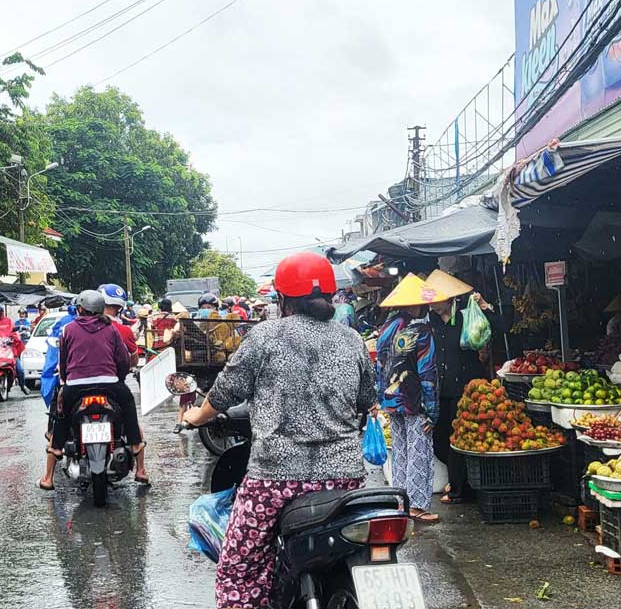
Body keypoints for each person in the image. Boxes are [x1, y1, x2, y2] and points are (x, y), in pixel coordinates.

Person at [180, 252, 376, 608]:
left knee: (239, 570)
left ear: (283, 298)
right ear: (331, 296)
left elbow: (227, 390)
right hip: (345, 478)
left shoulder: (265, 336)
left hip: (274, 479)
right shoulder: (352, 340)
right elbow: (367, 397)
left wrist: (198, 415)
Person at [39, 290, 148, 490]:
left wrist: (66, 379)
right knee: (128, 405)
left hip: (75, 386)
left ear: (80, 308)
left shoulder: (68, 329)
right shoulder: (112, 329)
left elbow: (63, 361)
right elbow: (123, 360)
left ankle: (48, 476)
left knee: (61, 417)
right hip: (109, 384)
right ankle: (138, 459)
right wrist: (120, 378)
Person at [424, 270, 496, 504]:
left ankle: (459, 489)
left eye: (436, 301)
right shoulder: (431, 321)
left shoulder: (467, 316)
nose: (433, 306)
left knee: (460, 439)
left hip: (467, 389)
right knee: (441, 438)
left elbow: (498, 327)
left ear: (449, 298)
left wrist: (485, 306)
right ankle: (459, 482)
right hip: (440, 389)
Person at [376, 274, 440, 523]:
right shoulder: (421, 331)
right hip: (414, 401)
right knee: (419, 452)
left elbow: (380, 365)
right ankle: (417, 506)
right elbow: (427, 371)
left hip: (392, 399)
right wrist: (432, 410)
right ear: (416, 304)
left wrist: (382, 397)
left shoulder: (386, 329)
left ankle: (401, 502)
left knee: (400, 452)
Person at [99, 284, 140, 368]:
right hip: (114, 376)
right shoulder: (125, 331)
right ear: (120, 307)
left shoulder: (79, 328)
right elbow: (134, 361)